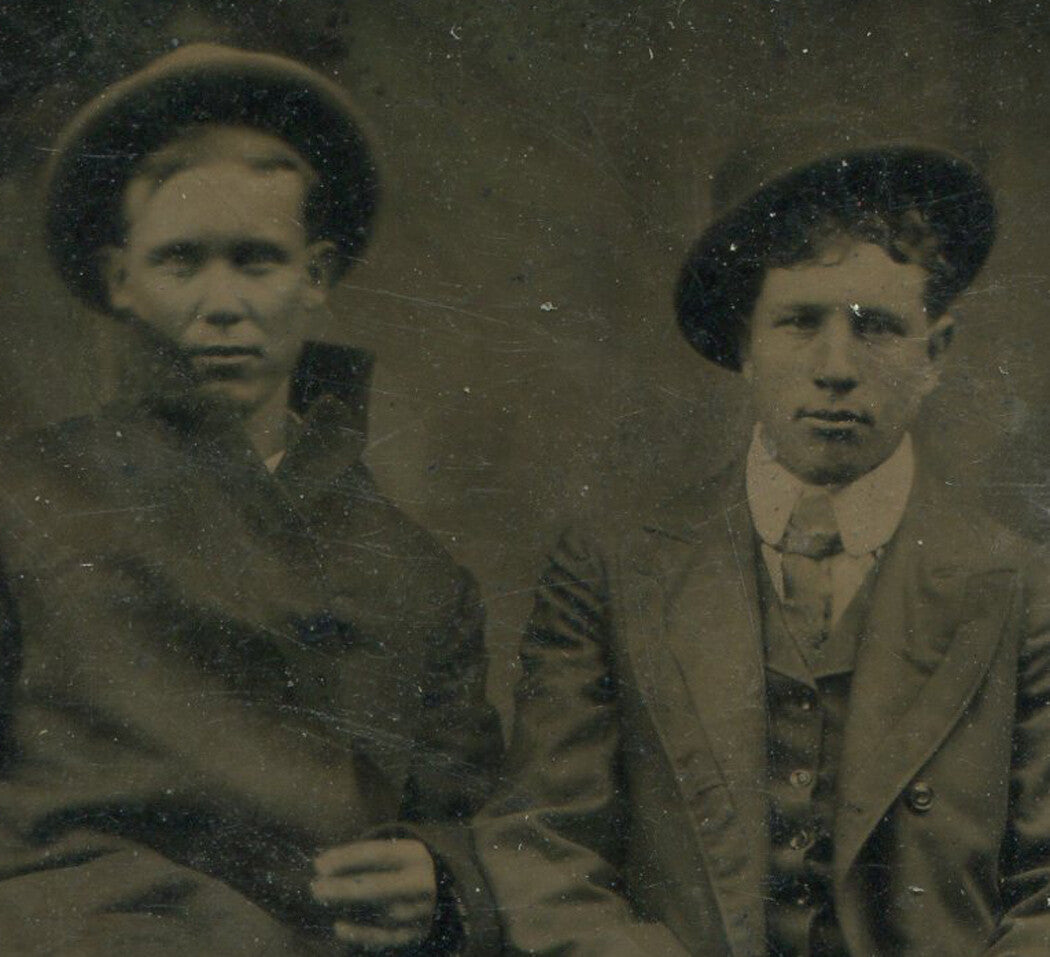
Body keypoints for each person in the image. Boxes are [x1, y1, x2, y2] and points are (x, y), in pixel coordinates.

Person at [472, 142, 1050, 954]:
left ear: (936, 352)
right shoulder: (612, 565)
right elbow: (544, 844)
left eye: (877, 326)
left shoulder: (1023, 588)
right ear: (745, 343)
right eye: (800, 321)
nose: (836, 368)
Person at [0, 44, 502, 956]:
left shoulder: (419, 577)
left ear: (315, 277)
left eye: (257, 260)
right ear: (120, 280)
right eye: (182, 261)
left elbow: (477, 821)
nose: (222, 302)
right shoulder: (21, 502)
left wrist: (441, 877)